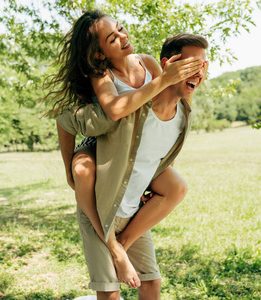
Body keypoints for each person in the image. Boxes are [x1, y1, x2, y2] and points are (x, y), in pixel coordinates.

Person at [44, 10, 204, 289]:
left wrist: (180, 80)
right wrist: (68, 166)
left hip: (133, 156)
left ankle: (123, 243)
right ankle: (114, 247)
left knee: (176, 185)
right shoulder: (102, 75)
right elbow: (116, 109)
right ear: (99, 54)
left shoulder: (148, 63)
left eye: (120, 29)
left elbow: (159, 110)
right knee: (82, 170)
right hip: (104, 147)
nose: (123, 36)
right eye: (112, 38)